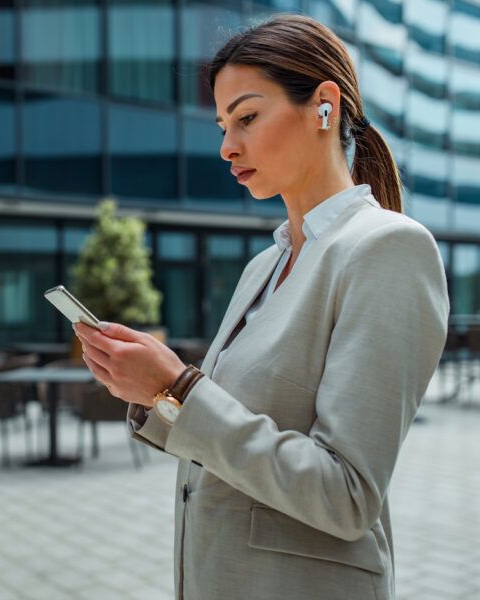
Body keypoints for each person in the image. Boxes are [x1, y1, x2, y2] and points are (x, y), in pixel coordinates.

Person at [74, 13, 449, 600]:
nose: (227, 146)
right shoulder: (263, 268)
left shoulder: (387, 249)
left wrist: (177, 388)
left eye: (247, 117)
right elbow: (228, 434)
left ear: (324, 105)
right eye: (223, 125)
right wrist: (152, 390)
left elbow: (347, 494)